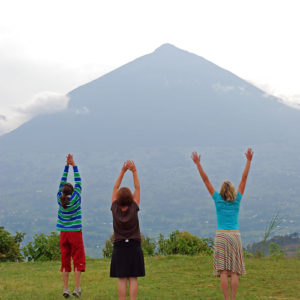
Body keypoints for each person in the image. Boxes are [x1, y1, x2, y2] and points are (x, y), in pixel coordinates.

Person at [191, 148, 253, 300]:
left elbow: (206, 180)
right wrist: (249, 161)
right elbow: (244, 179)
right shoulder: (237, 199)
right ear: (232, 191)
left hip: (221, 237)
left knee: (223, 271)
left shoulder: (217, 199)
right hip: (234, 236)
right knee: (234, 271)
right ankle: (233, 298)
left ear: (221, 191)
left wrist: (198, 164)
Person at [110, 160, 145, 300]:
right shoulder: (134, 207)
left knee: (122, 278)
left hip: (119, 245)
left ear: (118, 198)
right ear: (130, 198)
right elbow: (137, 188)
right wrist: (134, 171)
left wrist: (123, 171)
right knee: (133, 277)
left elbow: (115, 187)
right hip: (134, 244)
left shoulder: (114, 208)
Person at [56, 154, 85, 298]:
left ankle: (66, 288)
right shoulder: (76, 198)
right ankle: (77, 288)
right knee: (78, 259)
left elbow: (62, 182)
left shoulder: (59, 199)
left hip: (63, 234)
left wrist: (66, 167)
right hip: (75, 232)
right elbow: (79, 181)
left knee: (65, 260)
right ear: (72, 191)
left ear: (62, 191)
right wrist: (73, 165)